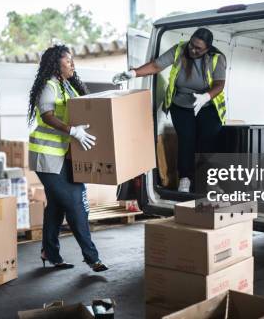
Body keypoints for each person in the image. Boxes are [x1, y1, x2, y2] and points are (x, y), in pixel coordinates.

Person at [113, 28, 226, 193]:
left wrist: (206, 97)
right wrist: (133, 73)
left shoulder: (217, 58)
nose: (193, 50)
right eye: (192, 45)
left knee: (207, 142)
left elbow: (219, 84)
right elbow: (156, 65)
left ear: (207, 49)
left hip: (206, 105)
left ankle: (210, 181)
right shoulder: (180, 49)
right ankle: (185, 180)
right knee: (186, 141)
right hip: (181, 105)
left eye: (198, 49)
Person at [27, 44, 108, 272]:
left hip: (65, 157)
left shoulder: (67, 86)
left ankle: (49, 252)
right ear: (56, 64)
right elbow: (47, 115)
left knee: (56, 207)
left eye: (72, 61)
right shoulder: (49, 86)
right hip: (47, 158)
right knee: (75, 204)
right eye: (68, 61)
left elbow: (83, 108)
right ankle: (92, 258)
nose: (72, 65)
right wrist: (73, 131)